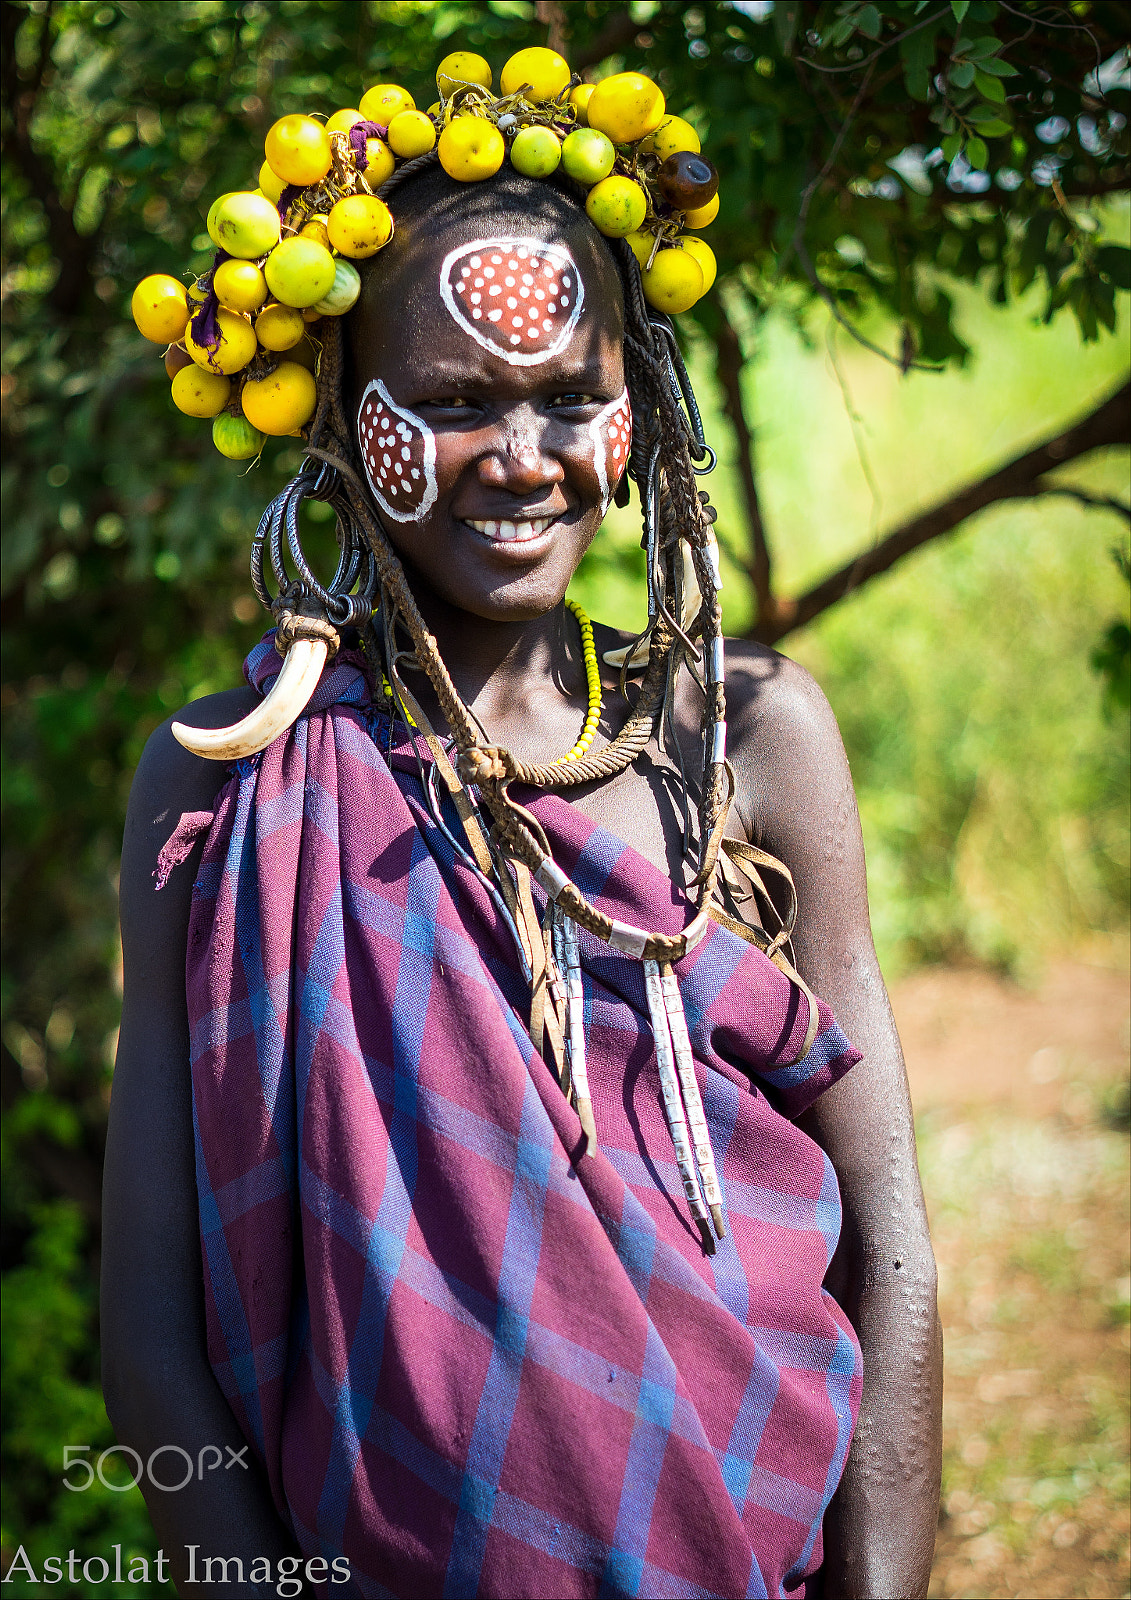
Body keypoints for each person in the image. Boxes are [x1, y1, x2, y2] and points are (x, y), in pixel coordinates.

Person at [102, 57, 941, 1600]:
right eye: (454, 403)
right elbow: (156, 1343)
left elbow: (888, 1246)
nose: (526, 455)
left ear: (640, 413)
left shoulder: (748, 742)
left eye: (572, 399)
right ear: (348, 428)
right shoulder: (232, 783)